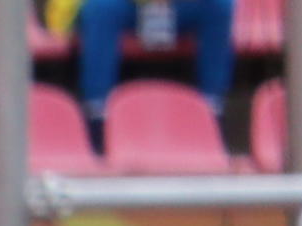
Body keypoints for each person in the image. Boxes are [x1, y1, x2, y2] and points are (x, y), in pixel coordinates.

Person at [75, 0, 234, 151]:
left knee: (220, 6)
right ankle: (98, 121)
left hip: (181, 6)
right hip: (128, 6)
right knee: (99, 9)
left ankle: (213, 116)